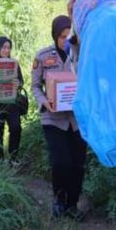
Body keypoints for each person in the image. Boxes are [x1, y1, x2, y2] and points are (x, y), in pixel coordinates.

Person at [31, 15, 86, 218]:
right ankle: (59, 200)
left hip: (77, 120)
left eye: (69, 36)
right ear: (55, 36)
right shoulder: (43, 56)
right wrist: (45, 101)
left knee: (77, 164)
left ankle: (72, 204)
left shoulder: (82, 55)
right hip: (53, 119)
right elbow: (35, 86)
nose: (66, 41)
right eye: (62, 37)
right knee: (60, 162)